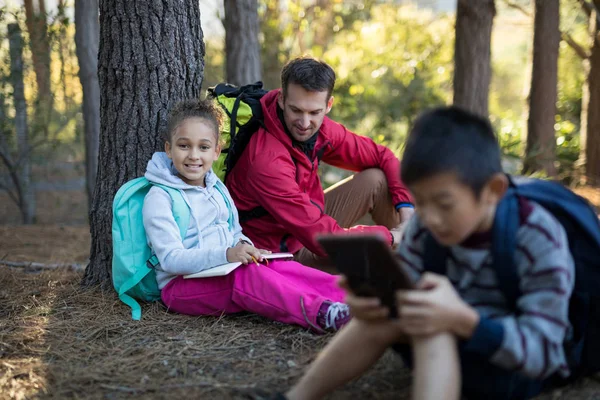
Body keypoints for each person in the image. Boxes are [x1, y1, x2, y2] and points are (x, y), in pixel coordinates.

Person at [282, 107, 575, 400]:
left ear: (492, 191)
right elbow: (406, 291)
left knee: (436, 325)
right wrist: (369, 303)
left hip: (505, 364)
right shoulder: (425, 228)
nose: (430, 218)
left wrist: (465, 321)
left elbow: (546, 353)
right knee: (395, 314)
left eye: (445, 203)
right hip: (442, 343)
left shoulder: (536, 237)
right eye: (421, 202)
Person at [141, 99, 351, 332]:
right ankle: (322, 314)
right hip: (180, 287)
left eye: (203, 147)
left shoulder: (217, 188)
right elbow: (171, 260)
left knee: (275, 265)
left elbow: (234, 231)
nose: (193, 155)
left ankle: (353, 295)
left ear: (216, 151)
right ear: (169, 149)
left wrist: (246, 247)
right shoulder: (160, 197)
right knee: (247, 277)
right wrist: (228, 254)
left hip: (223, 269)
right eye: (184, 146)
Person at [226, 57, 414, 270]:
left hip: (307, 228)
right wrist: (390, 236)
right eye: (296, 110)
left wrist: (406, 211)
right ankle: (403, 275)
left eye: (314, 112)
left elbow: (383, 156)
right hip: (277, 257)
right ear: (281, 99)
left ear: (328, 105)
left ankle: (414, 262)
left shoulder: (321, 130)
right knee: (367, 259)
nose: (305, 124)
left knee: (376, 179)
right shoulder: (265, 161)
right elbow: (323, 239)